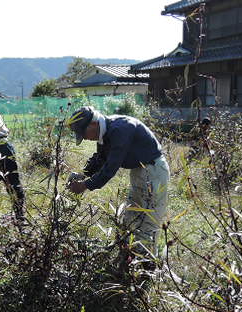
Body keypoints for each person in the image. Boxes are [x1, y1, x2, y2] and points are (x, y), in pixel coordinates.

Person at [68, 106, 169, 256]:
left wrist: (84, 185)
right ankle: (129, 258)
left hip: (154, 172)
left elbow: (110, 167)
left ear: (93, 124)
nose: (85, 138)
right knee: (130, 217)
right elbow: (101, 159)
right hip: (139, 172)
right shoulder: (105, 132)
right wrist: (82, 174)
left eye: (83, 133)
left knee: (148, 222)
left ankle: (147, 266)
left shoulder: (120, 129)